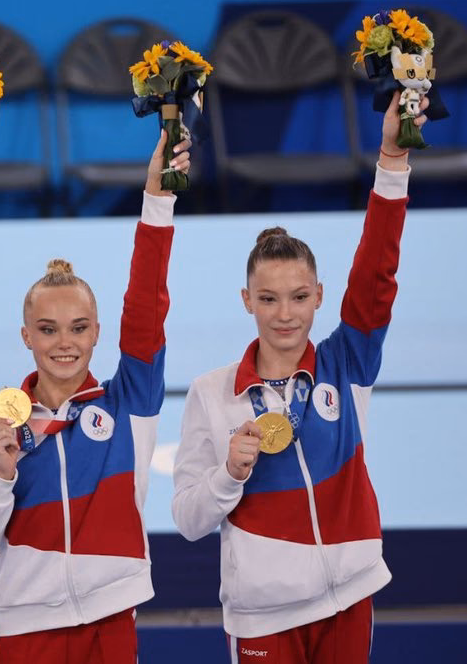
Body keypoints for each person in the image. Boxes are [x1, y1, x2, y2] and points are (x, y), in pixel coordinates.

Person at [171, 96, 428, 664]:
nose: (284, 314)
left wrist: (392, 158)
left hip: (349, 595)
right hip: (262, 613)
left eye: (298, 297)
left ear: (320, 297)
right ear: (246, 301)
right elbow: (188, 521)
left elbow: (377, 275)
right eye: (268, 299)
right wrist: (227, 476)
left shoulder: (346, 366)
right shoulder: (213, 394)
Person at [0, 131, 190, 663]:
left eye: (78, 328)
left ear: (98, 332)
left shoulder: (128, 404)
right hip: (25, 630)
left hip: (111, 620)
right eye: (49, 329)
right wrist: (0, 475)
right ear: (26, 336)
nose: (65, 344)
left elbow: (148, 308)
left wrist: (157, 195)